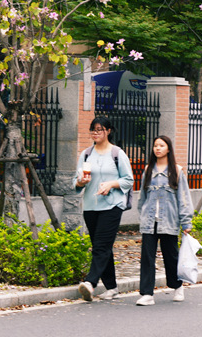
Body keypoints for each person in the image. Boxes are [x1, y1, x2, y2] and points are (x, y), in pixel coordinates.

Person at [73, 116, 134, 302]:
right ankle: (112, 287)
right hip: (91, 206)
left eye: (99, 129)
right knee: (102, 246)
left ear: (108, 131)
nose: (95, 133)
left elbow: (128, 179)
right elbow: (76, 183)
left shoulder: (117, 154)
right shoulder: (86, 154)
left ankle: (90, 283)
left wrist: (111, 184)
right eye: (93, 130)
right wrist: (80, 182)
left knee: (100, 246)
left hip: (112, 205)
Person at [135, 135, 194, 306]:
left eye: (161, 145)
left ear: (168, 148)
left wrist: (186, 222)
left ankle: (177, 286)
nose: (158, 148)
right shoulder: (148, 170)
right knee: (147, 257)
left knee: (171, 257)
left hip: (169, 220)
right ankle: (147, 294)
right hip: (149, 221)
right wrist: (143, 216)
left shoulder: (176, 170)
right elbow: (142, 198)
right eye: (155, 146)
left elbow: (183, 198)